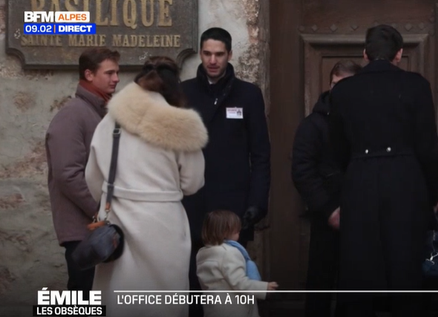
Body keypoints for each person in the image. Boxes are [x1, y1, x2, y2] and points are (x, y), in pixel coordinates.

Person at [327, 25, 438, 317]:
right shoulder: (416, 86)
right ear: (399, 55)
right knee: (406, 271)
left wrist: (347, 185)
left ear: (365, 54)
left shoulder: (342, 91)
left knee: (360, 271)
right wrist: (431, 195)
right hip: (406, 183)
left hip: (360, 184)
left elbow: (336, 150)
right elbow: (429, 149)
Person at [85, 56, 207, 317]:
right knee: (163, 303)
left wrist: (113, 198)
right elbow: (193, 183)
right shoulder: (182, 126)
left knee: (119, 299)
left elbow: (93, 177)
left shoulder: (110, 121)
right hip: (164, 225)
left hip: (117, 221)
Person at [181, 27, 271, 316]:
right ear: (200, 53)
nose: (212, 60)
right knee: (194, 283)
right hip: (193, 204)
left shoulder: (248, 94)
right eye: (207, 53)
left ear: (229, 55)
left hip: (233, 206)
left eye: (219, 54)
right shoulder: (184, 93)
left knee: (233, 284)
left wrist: (257, 203)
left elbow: (260, 154)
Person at [45, 47, 120, 294]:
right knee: (83, 298)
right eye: (109, 73)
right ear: (88, 74)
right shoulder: (72, 116)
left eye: (116, 72)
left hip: (97, 228)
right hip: (83, 232)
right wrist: (101, 213)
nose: (116, 78)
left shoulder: (99, 113)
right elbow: (67, 174)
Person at [291, 60, 361, 317]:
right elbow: (302, 171)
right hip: (327, 216)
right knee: (320, 284)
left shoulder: (368, 121)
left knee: (356, 288)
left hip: (363, 215)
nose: (338, 91)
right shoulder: (313, 125)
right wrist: (329, 209)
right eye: (334, 85)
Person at [196, 210, 278, 317]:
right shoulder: (229, 253)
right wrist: (263, 287)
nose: (239, 232)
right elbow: (239, 283)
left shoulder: (203, 253)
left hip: (214, 308)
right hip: (234, 308)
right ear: (225, 232)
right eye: (237, 231)